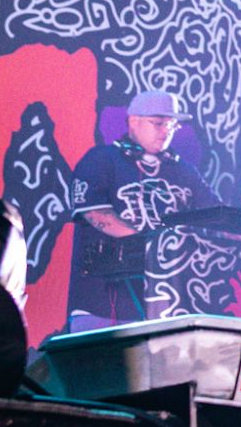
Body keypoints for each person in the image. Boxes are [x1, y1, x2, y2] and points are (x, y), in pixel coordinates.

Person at [66, 89, 222, 322]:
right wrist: (151, 247)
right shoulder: (101, 159)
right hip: (101, 304)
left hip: (166, 306)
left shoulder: (184, 171)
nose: (165, 132)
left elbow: (216, 217)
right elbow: (94, 212)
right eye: (158, 123)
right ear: (134, 122)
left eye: (171, 126)